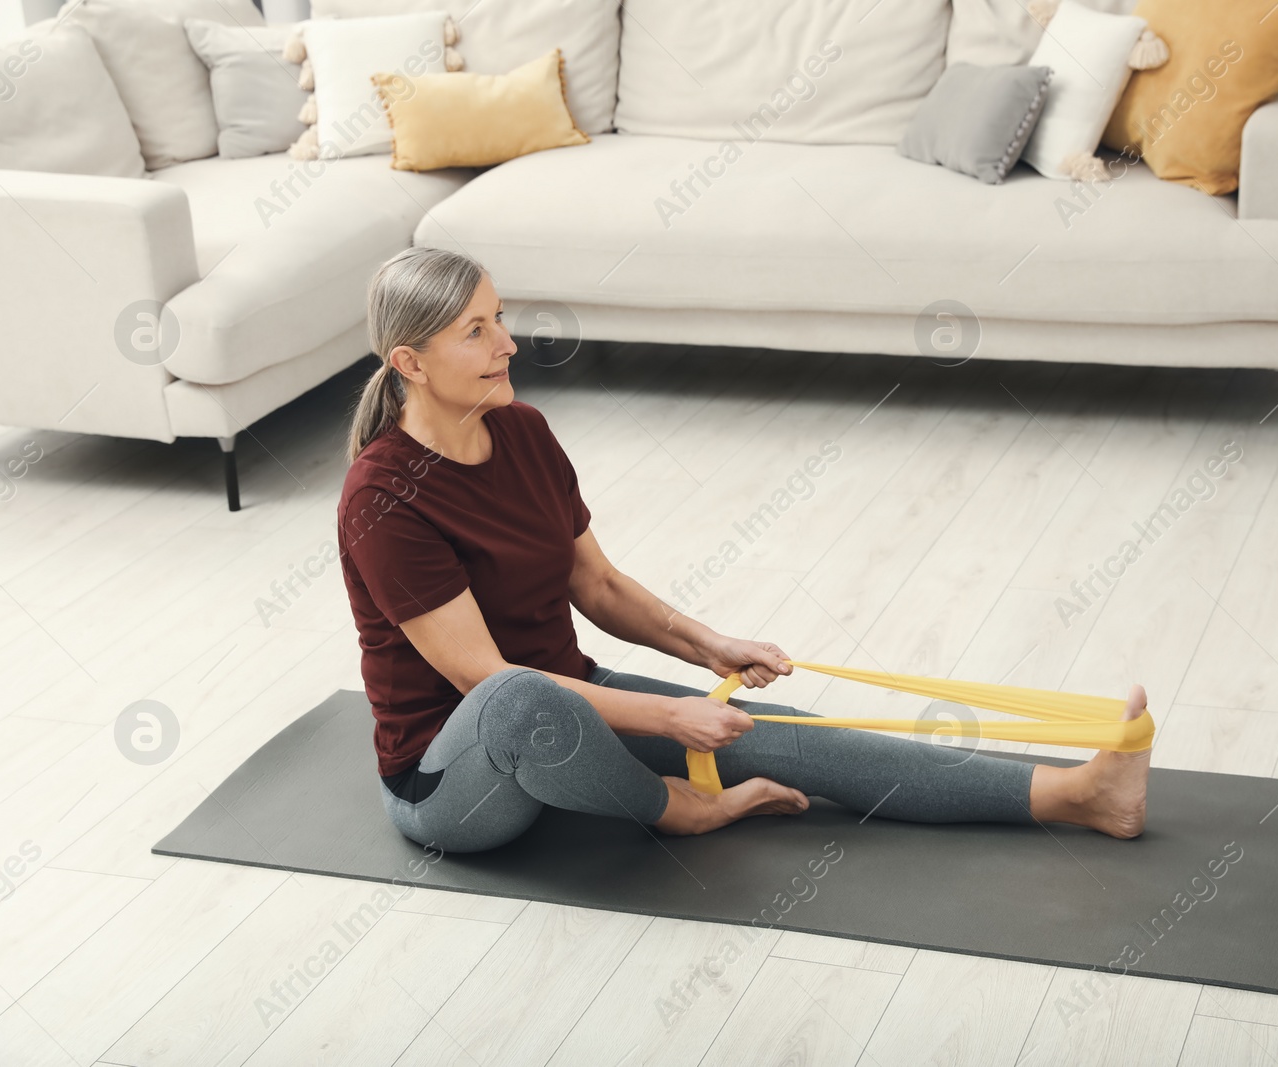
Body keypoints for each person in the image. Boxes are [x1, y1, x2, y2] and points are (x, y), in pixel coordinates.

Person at [337, 246, 1152, 854]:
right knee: (523, 701)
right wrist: (668, 718)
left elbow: (600, 585)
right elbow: (484, 681)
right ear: (410, 362)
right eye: (476, 331)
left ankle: (1074, 795)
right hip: (452, 782)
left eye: (501, 318)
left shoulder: (521, 430)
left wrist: (711, 649)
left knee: (774, 730)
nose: (507, 343)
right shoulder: (383, 500)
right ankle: (678, 808)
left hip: (574, 701)